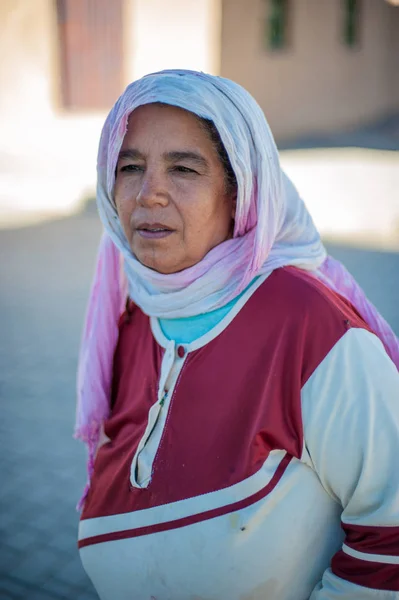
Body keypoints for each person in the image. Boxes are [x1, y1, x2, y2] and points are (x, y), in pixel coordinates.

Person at [75, 69, 399, 600]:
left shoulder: (308, 325)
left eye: (184, 168)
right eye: (129, 166)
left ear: (240, 190)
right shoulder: (132, 313)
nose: (148, 193)